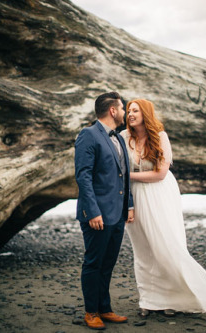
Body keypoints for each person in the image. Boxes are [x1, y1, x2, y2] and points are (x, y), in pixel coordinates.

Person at [121, 99, 206, 317]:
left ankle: (176, 298)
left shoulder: (160, 136)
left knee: (167, 245)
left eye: (135, 110)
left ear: (145, 113)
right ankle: (149, 300)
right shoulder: (123, 137)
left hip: (160, 194)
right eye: (128, 110)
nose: (130, 114)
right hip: (133, 196)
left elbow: (160, 173)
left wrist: (126, 176)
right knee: (143, 250)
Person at [74, 92, 134, 330]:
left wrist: (129, 205)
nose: (125, 112)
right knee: (93, 262)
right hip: (97, 214)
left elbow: (124, 176)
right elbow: (83, 176)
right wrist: (93, 211)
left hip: (117, 214)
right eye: (122, 108)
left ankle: (105, 308)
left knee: (108, 263)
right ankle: (91, 312)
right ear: (112, 110)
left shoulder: (118, 138)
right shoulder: (88, 135)